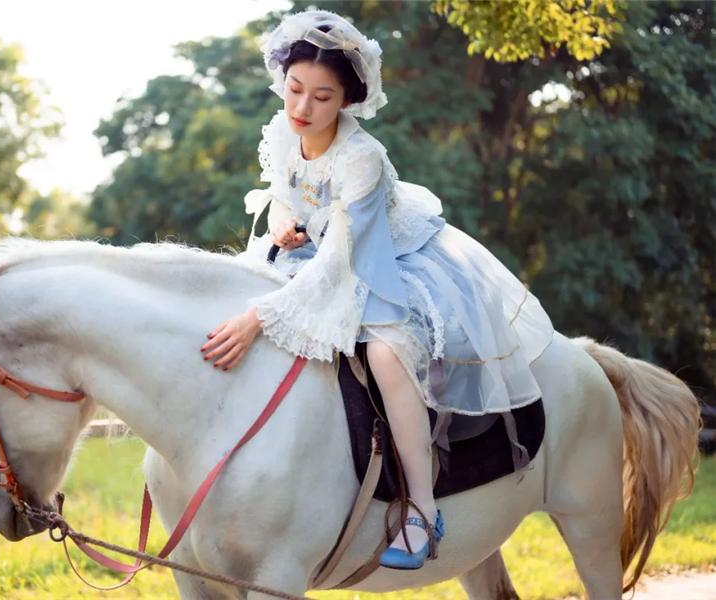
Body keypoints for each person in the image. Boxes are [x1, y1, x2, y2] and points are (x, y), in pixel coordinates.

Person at [199, 9, 555, 570]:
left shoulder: (361, 158)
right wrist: (280, 225)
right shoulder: (282, 129)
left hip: (376, 260)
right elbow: (283, 191)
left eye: (321, 97)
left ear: (345, 100)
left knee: (386, 355)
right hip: (310, 250)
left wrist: (257, 318)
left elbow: (343, 261)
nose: (301, 108)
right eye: (294, 89)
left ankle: (421, 505)